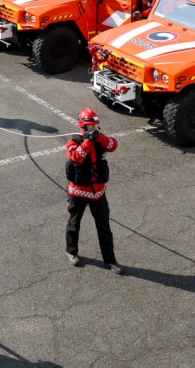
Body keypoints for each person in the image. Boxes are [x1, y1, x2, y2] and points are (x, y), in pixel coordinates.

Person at [65, 108, 123, 274]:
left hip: (98, 192)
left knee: (104, 226)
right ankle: (71, 251)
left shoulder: (100, 139)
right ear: (83, 127)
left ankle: (110, 260)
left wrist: (100, 137)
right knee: (74, 224)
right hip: (78, 192)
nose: (94, 129)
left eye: (96, 126)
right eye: (91, 126)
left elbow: (113, 145)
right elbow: (77, 157)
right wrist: (87, 141)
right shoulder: (73, 141)